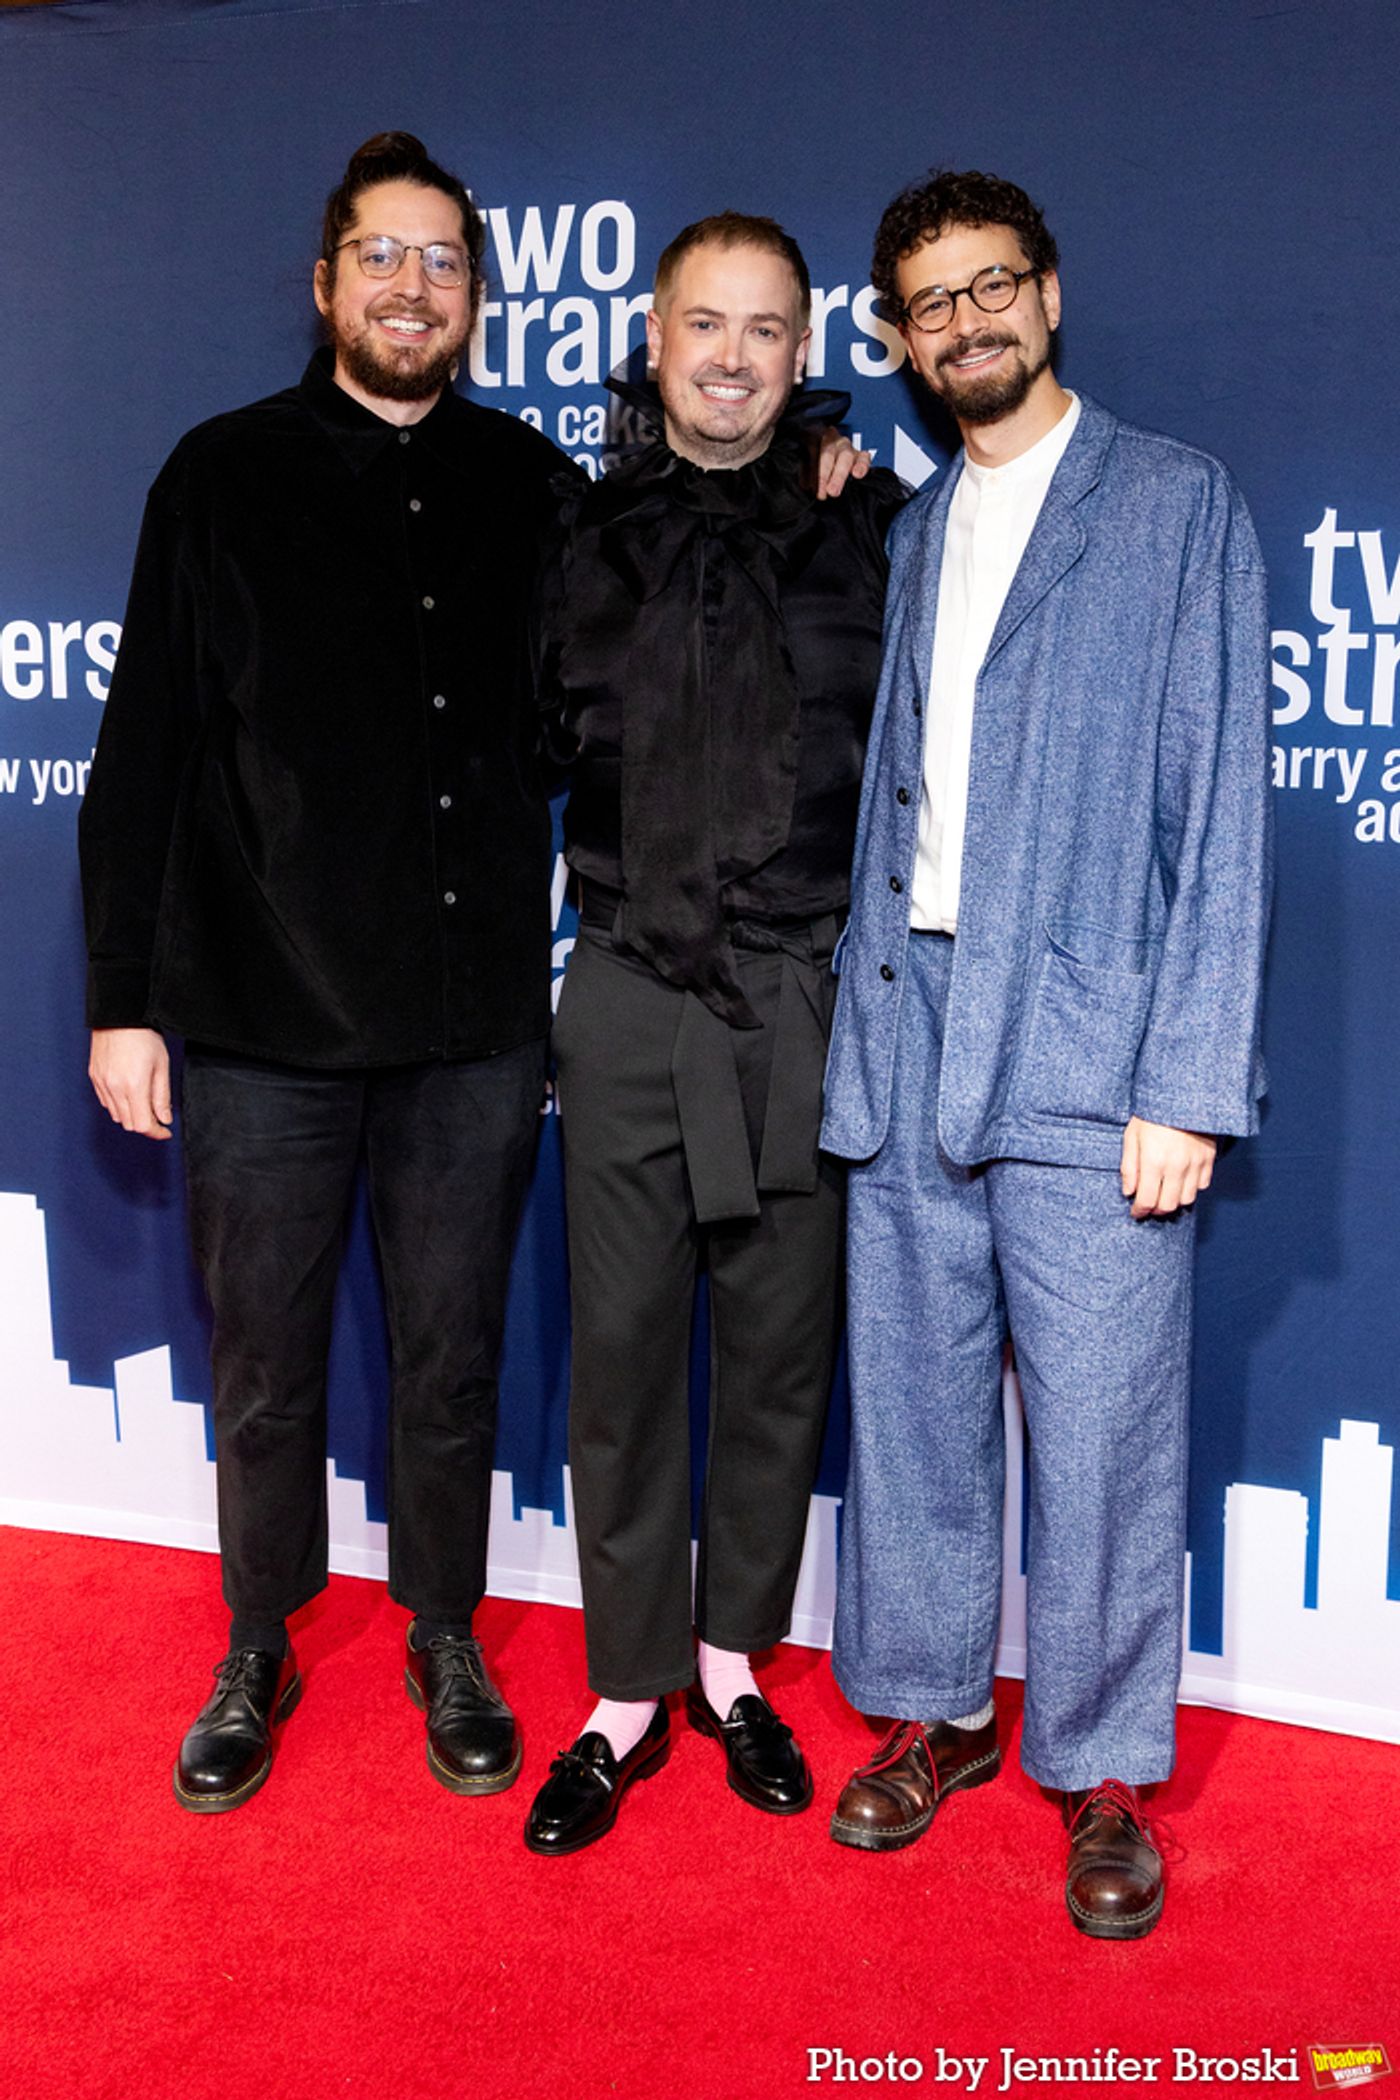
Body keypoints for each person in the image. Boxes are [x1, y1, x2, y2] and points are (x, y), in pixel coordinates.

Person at [80, 132, 570, 1812]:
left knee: (451, 1351)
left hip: (472, 1026)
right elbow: (140, 748)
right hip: (258, 1017)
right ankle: (256, 1637)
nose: (411, 286)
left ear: (475, 299)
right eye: (383, 256)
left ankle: (445, 1630)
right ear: (325, 282)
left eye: (442, 262)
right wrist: (122, 999)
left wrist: (805, 492)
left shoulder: (536, 486)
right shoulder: (215, 474)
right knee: (266, 1361)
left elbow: (626, 687)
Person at [820, 169, 1271, 1936]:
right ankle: (931, 1717)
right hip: (913, 1023)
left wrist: (1189, 1080)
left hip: (1095, 1041)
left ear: (1052, 293)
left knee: (1101, 1424)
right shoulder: (917, 526)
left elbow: (1222, 814)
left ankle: (1101, 1774)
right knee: (918, 1410)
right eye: (933, 305)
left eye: (993, 287)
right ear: (907, 341)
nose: (968, 323)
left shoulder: (1177, 507)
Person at [523, 214, 903, 1854]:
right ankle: (621, 1693)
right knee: (617, 1359)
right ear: (656, 339)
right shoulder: (574, 535)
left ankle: (735, 1665)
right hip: (619, 994)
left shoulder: (876, 529)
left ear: (802, 354)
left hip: (802, 995)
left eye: (767, 330)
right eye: (706, 325)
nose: (734, 357)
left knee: (775, 1357)